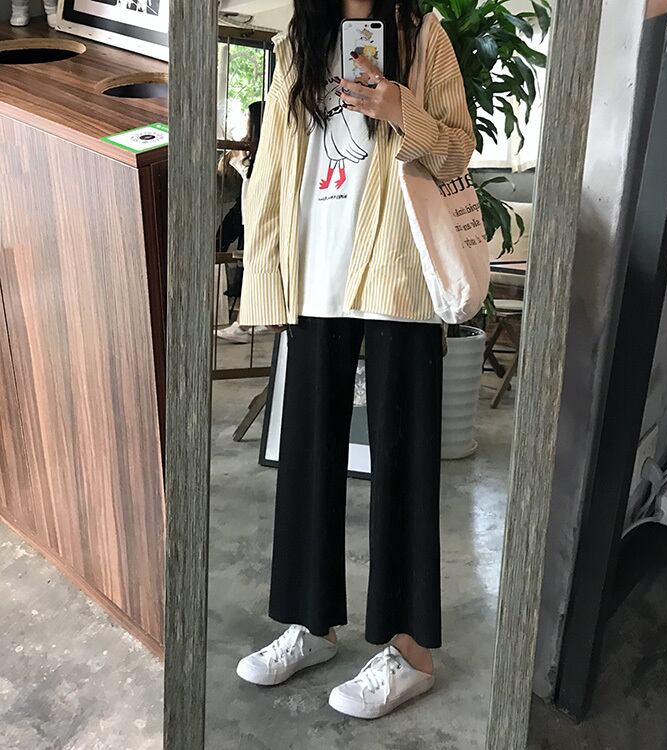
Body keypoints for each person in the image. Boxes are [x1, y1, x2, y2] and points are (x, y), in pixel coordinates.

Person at [235, 0, 475, 719]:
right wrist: (265, 272)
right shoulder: (298, 41)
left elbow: (458, 152)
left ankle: (412, 652)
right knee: (307, 458)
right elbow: (272, 167)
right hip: (315, 278)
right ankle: (311, 625)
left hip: (398, 280)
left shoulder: (423, 35)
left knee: (403, 463)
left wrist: (401, 108)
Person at [215, 101, 263, 343]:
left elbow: (247, 174)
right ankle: (250, 320)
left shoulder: (259, 151)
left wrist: (237, 156)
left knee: (252, 266)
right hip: (247, 211)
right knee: (251, 264)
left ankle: (243, 324)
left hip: (254, 213)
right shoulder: (251, 148)